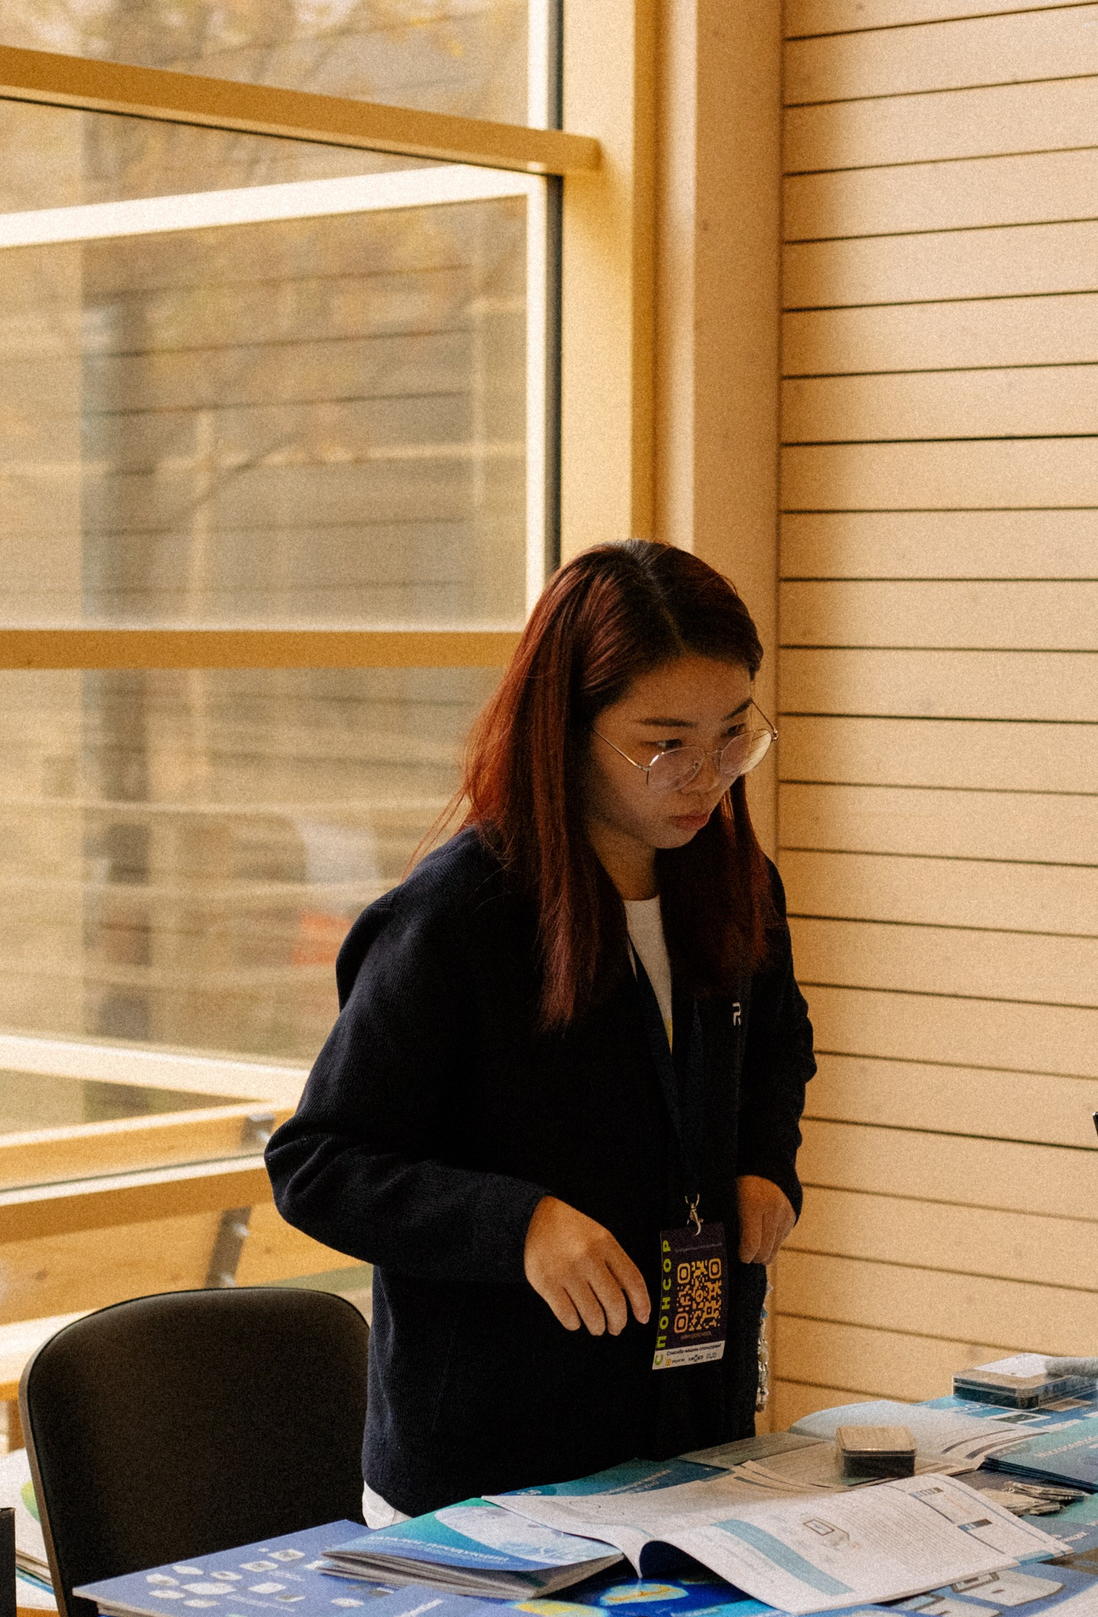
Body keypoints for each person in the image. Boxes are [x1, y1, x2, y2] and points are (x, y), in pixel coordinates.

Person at [265, 540, 814, 1522]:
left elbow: (778, 1045)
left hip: (691, 1431)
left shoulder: (733, 880)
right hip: (489, 1472)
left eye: (734, 735)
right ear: (566, 727)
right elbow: (319, 1163)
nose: (705, 777)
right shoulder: (457, 917)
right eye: (664, 744)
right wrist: (515, 1225)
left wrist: (766, 1164)